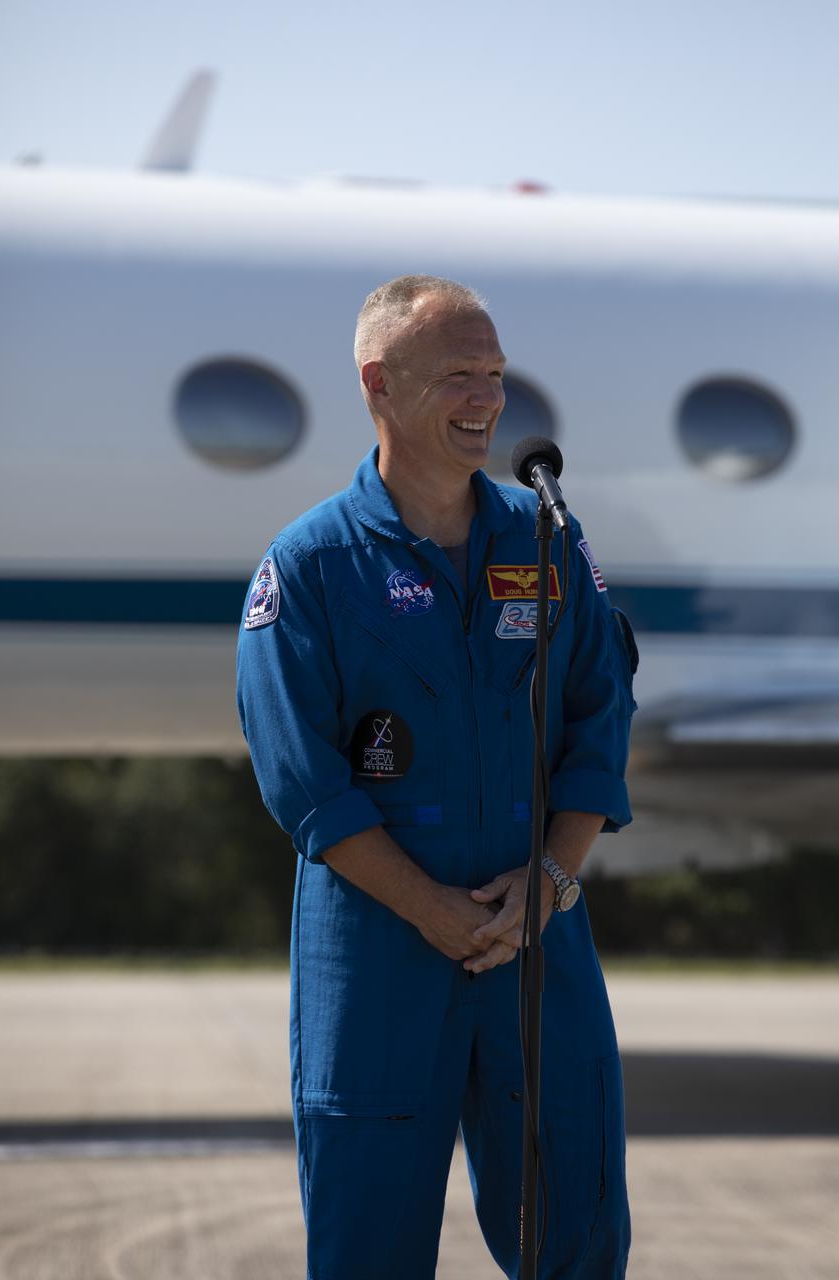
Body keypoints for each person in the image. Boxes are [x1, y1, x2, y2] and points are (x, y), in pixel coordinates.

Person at [236, 275, 637, 1279]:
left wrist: (548, 880)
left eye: (495, 376)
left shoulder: (547, 542)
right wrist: (427, 906)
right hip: (374, 948)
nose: (487, 401)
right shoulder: (313, 564)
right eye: (459, 375)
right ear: (379, 382)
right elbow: (303, 778)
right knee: (367, 1241)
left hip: (536, 933)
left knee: (577, 1234)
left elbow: (601, 713)